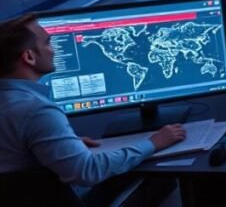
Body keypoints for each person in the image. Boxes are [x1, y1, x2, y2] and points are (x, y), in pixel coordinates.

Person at [0, 14, 186, 202]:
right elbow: (88, 172)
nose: (54, 50)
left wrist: (60, 145)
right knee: (161, 178)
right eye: (48, 43)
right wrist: (153, 143)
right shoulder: (37, 111)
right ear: (29, 57)